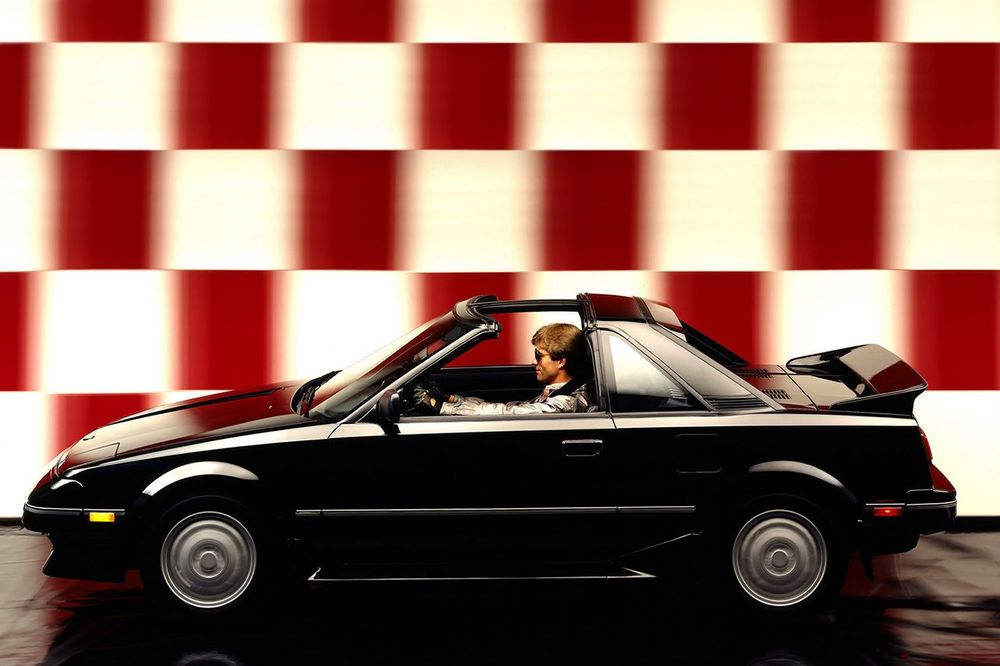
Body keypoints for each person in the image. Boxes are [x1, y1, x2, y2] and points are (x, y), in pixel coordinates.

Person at [413, 323, 591, 415]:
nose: (532, 362)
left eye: (539, 356)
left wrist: (442, 408)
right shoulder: (556, 393)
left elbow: (509, 413)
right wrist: (451, 399)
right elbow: (513, 407)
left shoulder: (565, 404)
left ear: (560, 361)